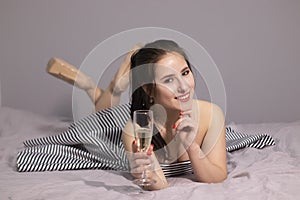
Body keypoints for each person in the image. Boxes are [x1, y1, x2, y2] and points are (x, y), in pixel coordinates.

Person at [121, 40, 227, 190]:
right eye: (169, 80)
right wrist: (145, 175)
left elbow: (218, 175)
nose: (184, 87)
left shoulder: (212, 114)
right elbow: (160, 184)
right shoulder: (137, 129)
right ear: (148, 89)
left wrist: (192, 146)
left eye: (185, 73)